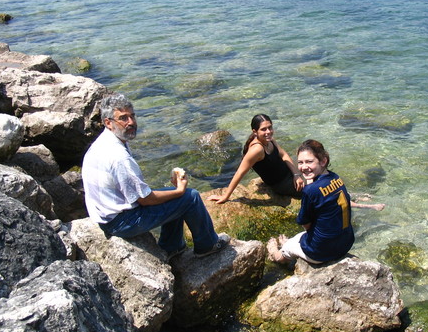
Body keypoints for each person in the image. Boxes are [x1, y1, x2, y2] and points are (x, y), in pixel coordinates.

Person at [82, 93, 230, 259]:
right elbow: (145, 199)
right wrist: (179, 191)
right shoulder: (118, 157)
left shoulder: (104, 142)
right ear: (108, 122)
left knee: (170, 196)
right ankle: (207, 245)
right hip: (120, 222)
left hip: (106, 215)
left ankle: (172, 246)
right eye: (123, 118)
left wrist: (173, 193)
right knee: (191, 197)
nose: (131, 122)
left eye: (132, 116)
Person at [267, 139, 383, 264]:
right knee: (298, 238)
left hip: (321, 253)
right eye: (300, 162)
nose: (303, 167)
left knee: (288, 249)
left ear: (323, 161)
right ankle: (291, 244)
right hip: (346, 243)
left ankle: (275, 253)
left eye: (309, 162)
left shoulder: (310, 191)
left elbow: (305, 223)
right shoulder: (336, 178)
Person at [208, 114, 304, 204]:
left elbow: (283, 155)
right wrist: (226, 196)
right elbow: (240, 173)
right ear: (255, 131)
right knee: (314, 191)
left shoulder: (270, 140)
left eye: (270, 127)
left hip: (290, 174)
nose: (268, 132)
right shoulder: (257, 150)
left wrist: (296, 174)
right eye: (263, 129)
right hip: (282, 184)